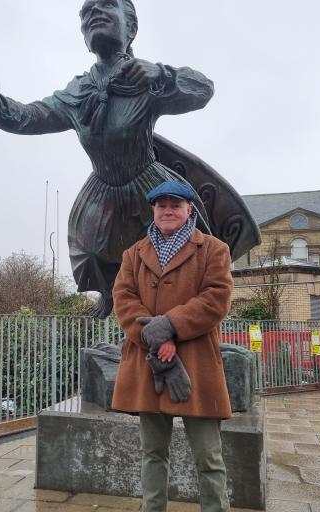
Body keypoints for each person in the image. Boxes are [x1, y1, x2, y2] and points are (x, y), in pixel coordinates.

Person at [0, 0, 214, 317]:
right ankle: (112, 298)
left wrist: (162, 74)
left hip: (148, 184)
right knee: (92, 250)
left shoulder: (145, 79)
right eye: (86, 13)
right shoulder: (79, 90)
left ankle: (179, 321)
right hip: (103, 187)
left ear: (131, 28)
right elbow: (34, 115)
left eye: (106, 6)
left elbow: (202, 89)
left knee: (170, 254)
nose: (93, 13)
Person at [111, 180, 234, 512]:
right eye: (161, 204)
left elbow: (216, 298)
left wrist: (171, 325)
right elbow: (123, 299)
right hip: (148, 362)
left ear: (188, 210)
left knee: (208, 455)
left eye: (175, 204)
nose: (168, 210)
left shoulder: (214, 249)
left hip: (196, 365)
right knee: (152, 453)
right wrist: (156, 337)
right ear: (153, 209)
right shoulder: (133, 254)